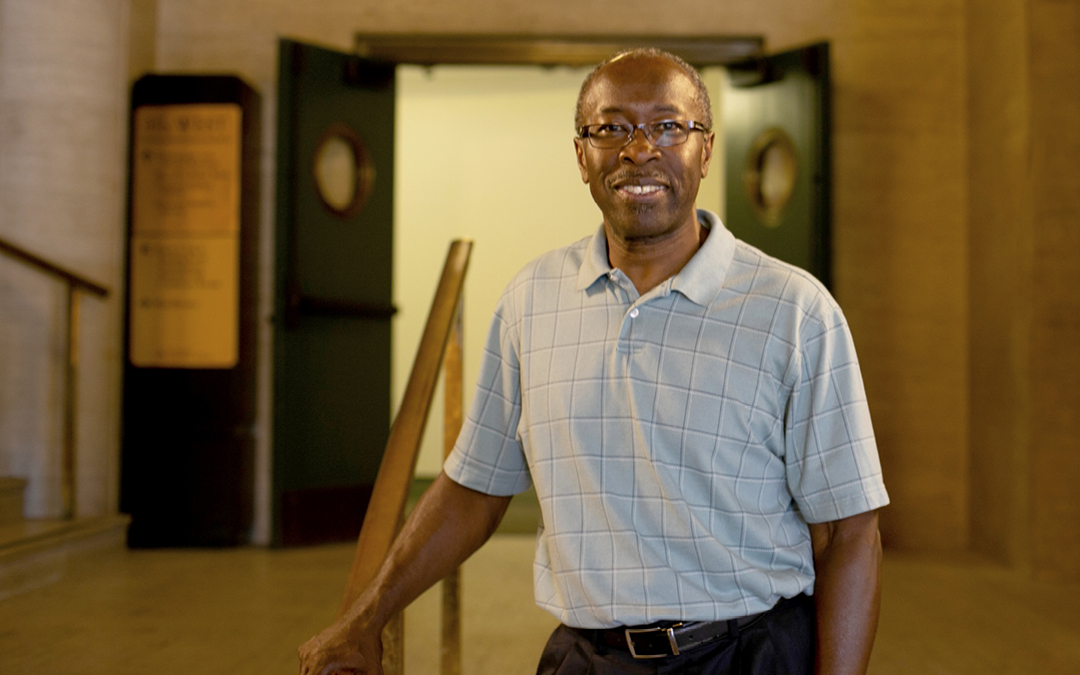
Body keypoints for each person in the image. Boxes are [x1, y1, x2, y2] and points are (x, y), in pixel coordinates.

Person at [299, 48, 889, 675]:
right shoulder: (532, 301)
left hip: (751, 654)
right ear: (582, 156)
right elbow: (474, 487)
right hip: (586, 658)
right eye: (611, 128)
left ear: (705, 151)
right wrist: (367, 617)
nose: (639, 149)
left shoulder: (795, 311)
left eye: (668, 126)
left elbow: (848, 532)